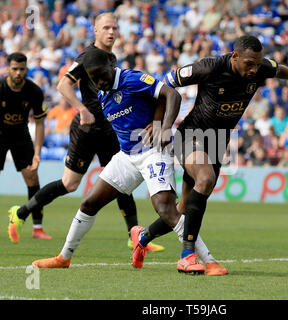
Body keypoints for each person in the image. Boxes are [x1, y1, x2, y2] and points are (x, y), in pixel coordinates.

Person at [31, 48, 227, 277]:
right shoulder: (102, 92)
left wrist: (162, 127)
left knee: (165, 208)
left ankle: (208, 261)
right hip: (126, 156)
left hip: (153, 152)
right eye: (94, 79)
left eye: (102, 75)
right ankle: (63, 258)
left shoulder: (132, 79)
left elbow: (171, 94)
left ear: (111, 66)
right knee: (89, 203)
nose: (100, 81)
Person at [7, 13, 163, 252]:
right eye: (106, 28)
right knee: (69, 184)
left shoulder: (110, 57)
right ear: (95, 31)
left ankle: (134, 238)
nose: (111, 32)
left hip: (109, 128)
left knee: (122, 180)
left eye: (114, 27)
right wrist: (81, 109)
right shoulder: (88, 57)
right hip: (86, 129)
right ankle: (20, 213)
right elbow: (63, 84)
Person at [160, 35, 288, 273]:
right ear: (235, 57)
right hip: (190, 135)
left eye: (257, 64)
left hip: (218, 142)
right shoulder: (209, 67)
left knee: (183, 207)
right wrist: (161, 124)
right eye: (249, 64)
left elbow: (279, 69)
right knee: (205, 179)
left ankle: (143, 238)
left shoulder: (260, 67)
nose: (254, 69)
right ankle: (187, 255)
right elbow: (166, 84)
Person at [1, 52, 48, 240]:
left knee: (32, 178)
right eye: (15, 69)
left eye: (22, 69)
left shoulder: (34, 91)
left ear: (26, 69)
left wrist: (37, 153)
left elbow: (40, 123)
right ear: (8, 69)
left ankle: (37, 228)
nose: (18, 73)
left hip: (21, 135)